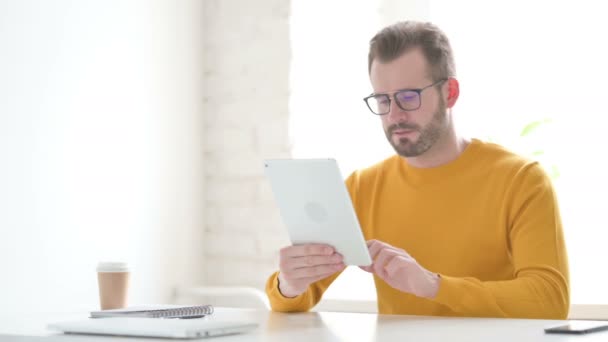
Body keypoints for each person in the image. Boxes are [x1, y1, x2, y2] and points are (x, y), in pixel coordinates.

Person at [265, 21, 569, 319]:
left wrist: (434, 286)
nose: (395, 115)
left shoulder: (522, 180)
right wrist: (290, 284)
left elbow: (550, 300)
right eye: (383, 99)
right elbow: (294, 300)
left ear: (449, 93)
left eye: (409, 97)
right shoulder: (363, 186)